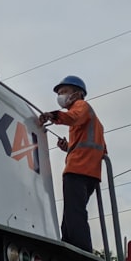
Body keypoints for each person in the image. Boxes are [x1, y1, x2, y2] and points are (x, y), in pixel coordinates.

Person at [38, 76, 106, 251]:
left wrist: (51, 116)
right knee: (72, 211)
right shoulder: (92, 119)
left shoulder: (81, 107)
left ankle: (80, 250)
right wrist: (68, 147)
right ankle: (68, 244)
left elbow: (72, 117)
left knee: (74, 213)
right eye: (59, 93)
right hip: (90, 173)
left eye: (64, 92)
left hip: (78, 170)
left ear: (77, 94)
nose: (60, 96)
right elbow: (91, 147)